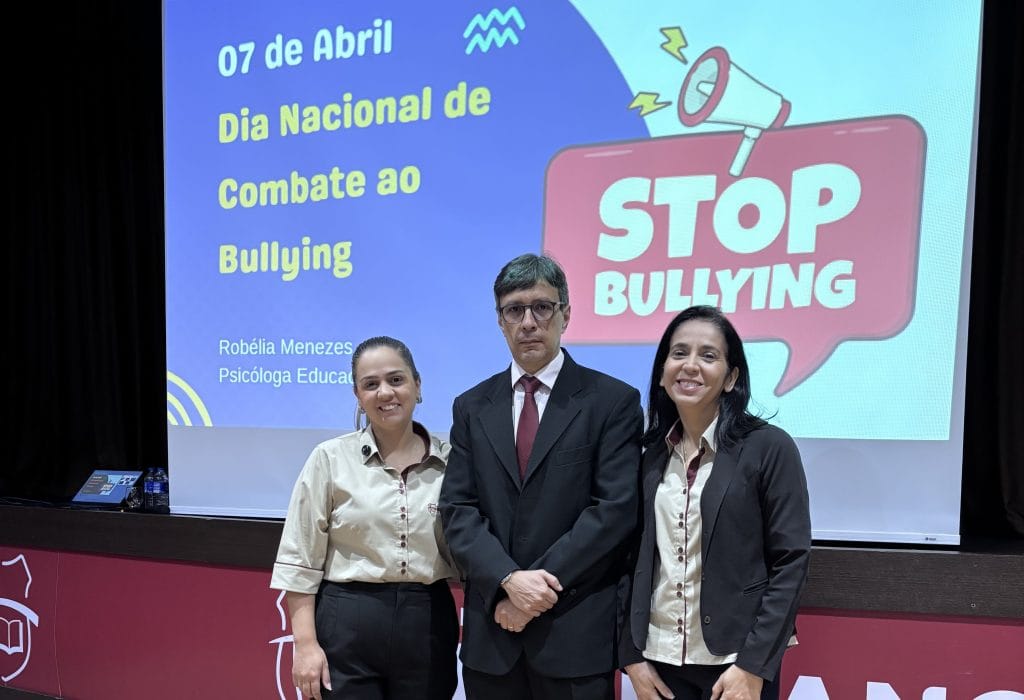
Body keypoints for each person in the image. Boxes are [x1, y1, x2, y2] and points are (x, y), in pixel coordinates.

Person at [439, 253, 644, 700]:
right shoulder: (471, 406)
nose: (528, 322)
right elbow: (458, 510)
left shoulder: (612, 401)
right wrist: (508, 581)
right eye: (515, 310)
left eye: (542, 307)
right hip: (493, 638)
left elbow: (613, 512)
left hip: (572, 636)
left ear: (565, 314)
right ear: (500, 321)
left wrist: (534, 593)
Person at [619, 305, 811, 700]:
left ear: (731, 377)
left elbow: (790, 562)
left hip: (736, 664)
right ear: (662, 372)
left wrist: (753, 665)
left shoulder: (769, 447)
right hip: (658, 661)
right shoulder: (649, 456)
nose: (690, 365)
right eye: (679, 353)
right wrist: (631, 657)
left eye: (708, 355)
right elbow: (627, 561)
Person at [271, 336, 459, 700]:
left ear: (417, 386)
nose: (385, 392)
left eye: (396, 379)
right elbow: (300, 558)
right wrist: (305, 645)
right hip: (347, 622)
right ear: (358, 396)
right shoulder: (329, 458)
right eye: (370, 384)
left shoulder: (452, 462)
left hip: (428, 622)